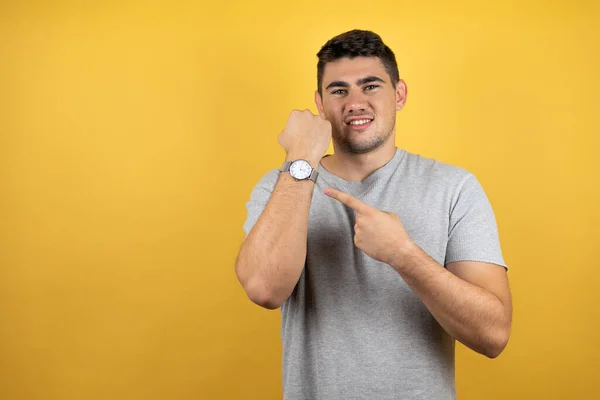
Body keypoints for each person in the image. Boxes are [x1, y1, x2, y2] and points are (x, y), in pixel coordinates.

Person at [235, 29, 512, 400]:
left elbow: (493, 335)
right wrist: (301, 159)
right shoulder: (282, 186)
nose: (354, 102)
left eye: (370, 86)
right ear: (320, 103)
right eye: (339, 90)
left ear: (399, 95)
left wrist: (403, 254)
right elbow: (263, 289)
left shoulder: (454, 187)